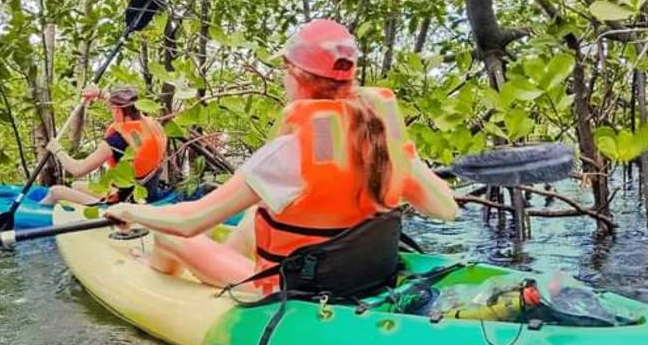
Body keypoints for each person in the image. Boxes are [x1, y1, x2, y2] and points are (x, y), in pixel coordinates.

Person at [104, 19, 457, 293]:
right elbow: (446, 208)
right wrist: (410, 163)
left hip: (297, 289)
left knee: (167, 234)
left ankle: (159, 277)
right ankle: (220, 261)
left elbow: (190, 222)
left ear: (295, 74)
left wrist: (131, 211)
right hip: (360, 277)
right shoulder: (383, 139)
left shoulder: (290, 152)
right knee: (259, 208)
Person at [41, 86, 167, 205]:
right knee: (76, 186)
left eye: (111, 108)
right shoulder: (151, 126)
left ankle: (36, 221)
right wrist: (99, 93)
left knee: (55, 191)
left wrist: (57, 150)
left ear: (117, 110)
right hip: (145, 193)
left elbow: (77, 170)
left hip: (126, 203)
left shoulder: (117, 141)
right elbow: (119, 104)